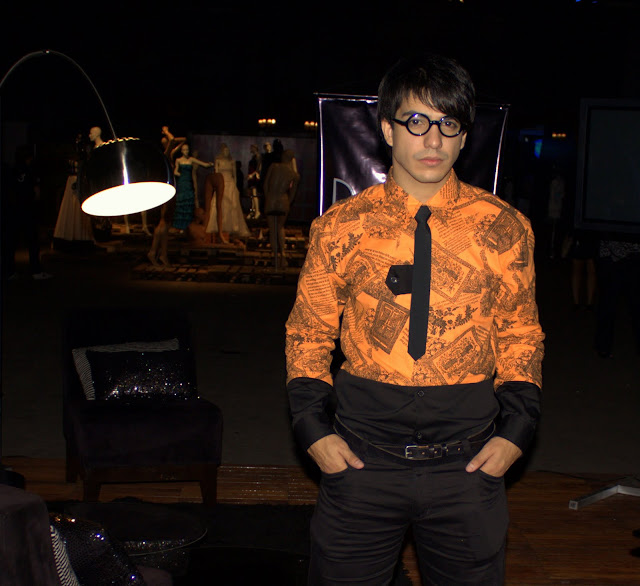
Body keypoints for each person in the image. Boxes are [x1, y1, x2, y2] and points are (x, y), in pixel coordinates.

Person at [285, 53, 545, 585]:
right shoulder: (341, 227)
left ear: (464, 136)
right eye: (417, 121)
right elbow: (308, 331)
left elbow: (521, 333)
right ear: (387, 129)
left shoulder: (505, 227)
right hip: (361, 461)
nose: (433, 140)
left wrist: (517, 431)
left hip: (468, 466)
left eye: (448, 124)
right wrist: (311, 429)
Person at [2, 146, 52, 280]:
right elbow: (36, 193)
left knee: (11, 242)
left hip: (12, 210)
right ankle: (35, 270)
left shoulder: (10, 171)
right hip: (28, 209)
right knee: (32, 241)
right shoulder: (31, 171)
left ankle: (9, 271)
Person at [205, 143, 250, 240]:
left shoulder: (232, 161)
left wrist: (236, 186)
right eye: (225, 151)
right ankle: (219, 226)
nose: (226, 152)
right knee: (220, 204)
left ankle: (233, 226)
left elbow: (234, 175)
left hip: (230, 184)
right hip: (221, 183)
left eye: (227, 151)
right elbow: (216, 173)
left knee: (232, 205)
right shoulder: (218, 160)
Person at [263, 148, 299, 268]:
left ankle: (275, 256)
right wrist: (288, 202)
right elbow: (292, 194)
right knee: (280, 227)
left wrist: (268, 198)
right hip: (283, 200)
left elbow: (266, 185)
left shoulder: (274, 166)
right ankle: (283, 254)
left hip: (272, 199)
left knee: (272, 229)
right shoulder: (294, 174)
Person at [172, 143, 213, 232]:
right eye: (184, 150)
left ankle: (187, 225)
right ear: (182, 151)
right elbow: (175, 171)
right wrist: (180, 174)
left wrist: (209, 164)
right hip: (182, 182)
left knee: (189, 202)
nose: (186, 151)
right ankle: (180, 226)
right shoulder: (178, 160)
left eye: (187, 149)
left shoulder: (191, 159)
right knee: (182, 202)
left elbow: (204, 164)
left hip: (188, 182)